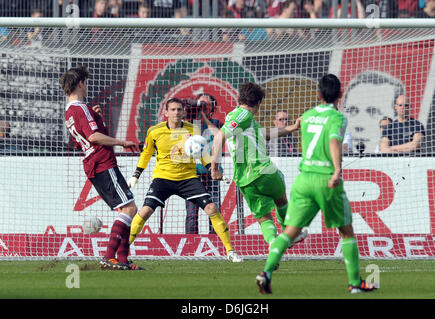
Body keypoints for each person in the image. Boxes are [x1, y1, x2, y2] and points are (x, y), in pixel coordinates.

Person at [255, 74, 377, 294]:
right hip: (325, 178)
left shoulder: (308, 116)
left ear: (318, 94)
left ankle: (266, 272)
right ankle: (355, 283)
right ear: (340, 95)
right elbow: (332, 140)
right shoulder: (337, 117)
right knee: (347, 232)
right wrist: (337, 170)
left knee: (290, 232)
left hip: (303, 179)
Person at [126, 98, 242, 262]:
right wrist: (136, 175)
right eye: (172, 109)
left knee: (212, 208)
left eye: (179, 109)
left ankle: (230, 252)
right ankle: (123, 250)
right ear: (166, 113)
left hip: (188, 178)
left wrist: (211, 169)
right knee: (145, 211)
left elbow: (202, 153)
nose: (176, 112)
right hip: (163, 178)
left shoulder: (192, 129)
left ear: (183, 112)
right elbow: (146, 154)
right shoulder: (154, 131)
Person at [61, 66, 143, 270]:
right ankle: (109, 257)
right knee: (130, 208)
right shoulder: (80, 108)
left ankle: (122, 260)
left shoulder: (70, 111)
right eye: (86, 83)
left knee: (127, 209)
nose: (87, 87)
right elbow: (93, 137)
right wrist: (121, 142)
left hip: (94, 163)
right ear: (80, 83)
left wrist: (94, 116)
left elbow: (84, 133)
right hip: (102, 162)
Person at [211, 82, 308, 253]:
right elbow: (219, 138)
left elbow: (266, 135)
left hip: (244, 180)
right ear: (259, 102)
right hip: (263, 171)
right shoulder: (243, 115)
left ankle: (273, 242)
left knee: (263, 217)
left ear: (239, 98)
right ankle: (292, 234)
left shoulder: (240, 119)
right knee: (281, 200)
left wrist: (292, 128)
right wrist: (214, 168)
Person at [184, 93, 221, 234]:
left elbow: (219, 136)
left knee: (215, 210)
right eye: (200, 104)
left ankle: (217, 242)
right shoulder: (188, 123)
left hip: (213, 172)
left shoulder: (216, 123)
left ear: (212, 108)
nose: (202, 108)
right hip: (192, 174)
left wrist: (204, 117)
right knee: (191, 213)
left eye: (206, 105)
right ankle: (190, 245)